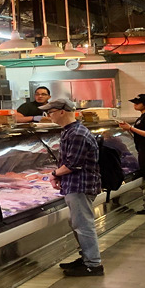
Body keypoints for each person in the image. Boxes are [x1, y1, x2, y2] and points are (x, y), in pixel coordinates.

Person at [44, 98, 104, 277]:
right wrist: (59, 177)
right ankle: (85, 258)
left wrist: (54, 174)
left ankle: (93, 265)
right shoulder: (69, 131)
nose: (48, 116)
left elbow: (73, 164)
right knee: (77, 223)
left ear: (62, 111)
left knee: (83, 225)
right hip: (74, 184)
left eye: (51, 112)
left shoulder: (77, 133)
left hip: (80, 185)